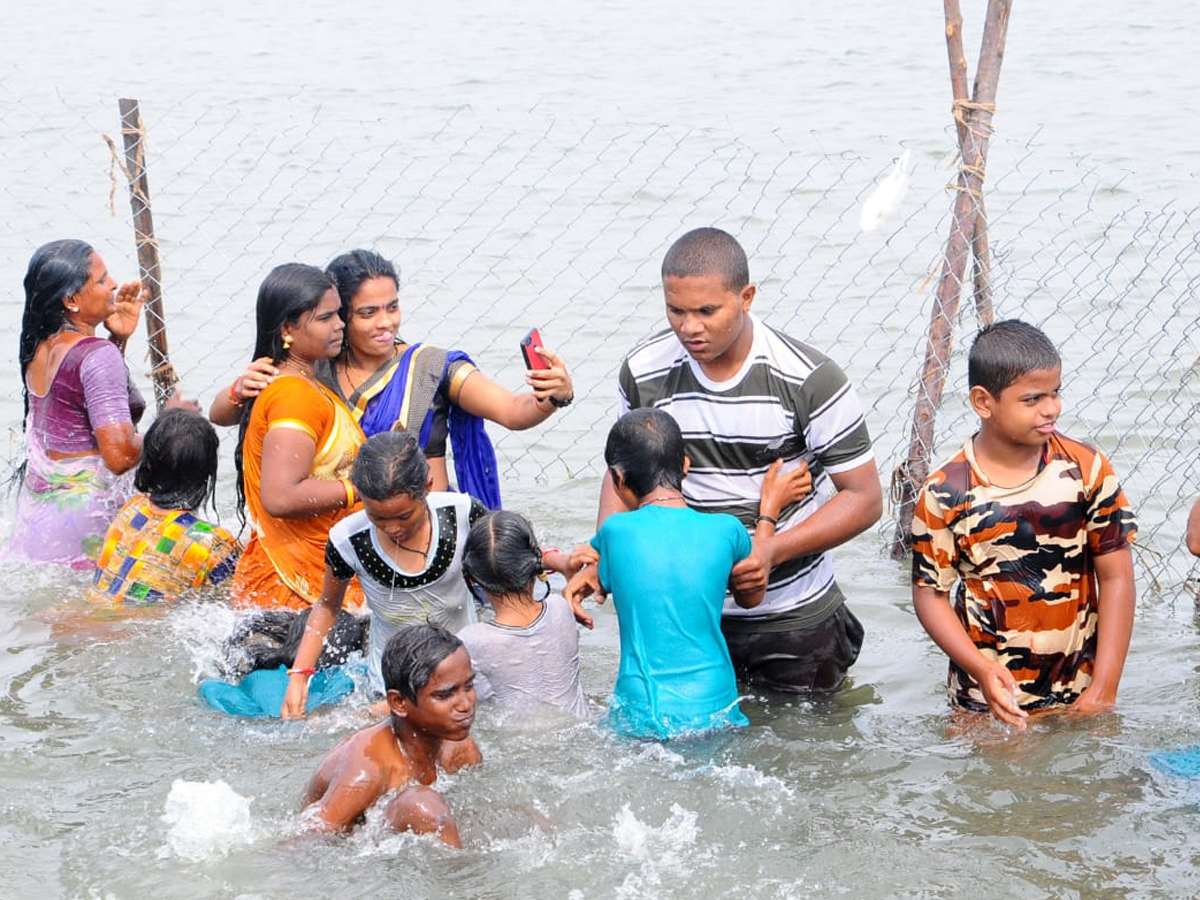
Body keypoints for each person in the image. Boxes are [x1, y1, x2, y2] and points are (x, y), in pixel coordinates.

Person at [599, 227, 882, 694]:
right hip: (681, 617)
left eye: (707, 311)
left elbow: (866, 498)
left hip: (791, 615)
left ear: (746, 297)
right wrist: (604, 551)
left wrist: (773, 550)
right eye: (676, 310)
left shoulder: (809, 378)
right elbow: (622, 473)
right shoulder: (644, 371)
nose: (689, 327)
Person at [211, 249, 575, 509]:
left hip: (420, 528)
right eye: (368, 313)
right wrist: (238, 390)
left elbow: (513, 411)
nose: (386, 322)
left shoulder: (430, 367)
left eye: (393, 307)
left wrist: (553, 396)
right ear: (339, 314)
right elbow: (223, 416)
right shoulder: (311, 367)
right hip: (331, 523)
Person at [910, 319, 1137, 728]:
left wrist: (1104, 687)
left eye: (1055, 393)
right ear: (983, 402)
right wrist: (979, 670)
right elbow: (930, 595)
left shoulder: (1086, 469)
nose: (1051, 408)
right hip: (986, 700)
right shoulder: (947, 490)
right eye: (1032, 399)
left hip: (1081, 689)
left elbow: (1117, 576)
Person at [568, 408, 809, 739]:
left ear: (619, 479)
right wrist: (768, 513)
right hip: (713, 703)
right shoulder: (727, 530)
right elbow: (752, 594)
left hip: (641, 707)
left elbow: (602, 574)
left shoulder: (614, 532)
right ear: (685, 465)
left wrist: (584, 568)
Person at [280, 431, 487, 718]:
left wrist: (554, 561)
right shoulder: (349, 541)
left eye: (404, 516)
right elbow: (328, 606)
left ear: (427, 486)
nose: (392, 529)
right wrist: (300, 675)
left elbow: (506, 564)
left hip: (461, 680)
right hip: (389, 688)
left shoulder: (462, 516)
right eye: (377, 517)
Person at [11, 239, 191, 568]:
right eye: (101, 279)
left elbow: (83, 400)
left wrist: (118, 339)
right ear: (71, 300)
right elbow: (119, 455)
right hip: (87, 521)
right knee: (102, 619)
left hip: (40, 515)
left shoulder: (38, 346)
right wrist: (170, 422)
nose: (113, 285)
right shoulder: (95, 354)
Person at [229, 263, 366, 610]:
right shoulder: (295, 396)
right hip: (295, 589)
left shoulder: (299, 382)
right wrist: (364, 489)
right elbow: (280, 497)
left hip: (291, 574)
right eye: (325, 318)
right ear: (288, 328)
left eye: (339, 314)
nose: (340, 325)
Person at [298, 624, 482, 846]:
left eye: (469, 686)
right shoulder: (367, 770)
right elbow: (306, 842)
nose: (465, 704)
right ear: (399, 702)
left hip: (398, 831)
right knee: (421, 805)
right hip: (360, 849)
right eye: (445, 695)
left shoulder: (461, 750)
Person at [87, 409, 240, 604]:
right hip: (142, 627)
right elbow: (236, 603)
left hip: (99, 609)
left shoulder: (132, 508)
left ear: (149, 464)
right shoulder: (214, 544)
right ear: (208, 472)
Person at [457, 510, 589, 719]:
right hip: (583, 732)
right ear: (535, 565)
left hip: (519, 745)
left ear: (472, 577)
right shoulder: (561, 608)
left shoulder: (470, 640)